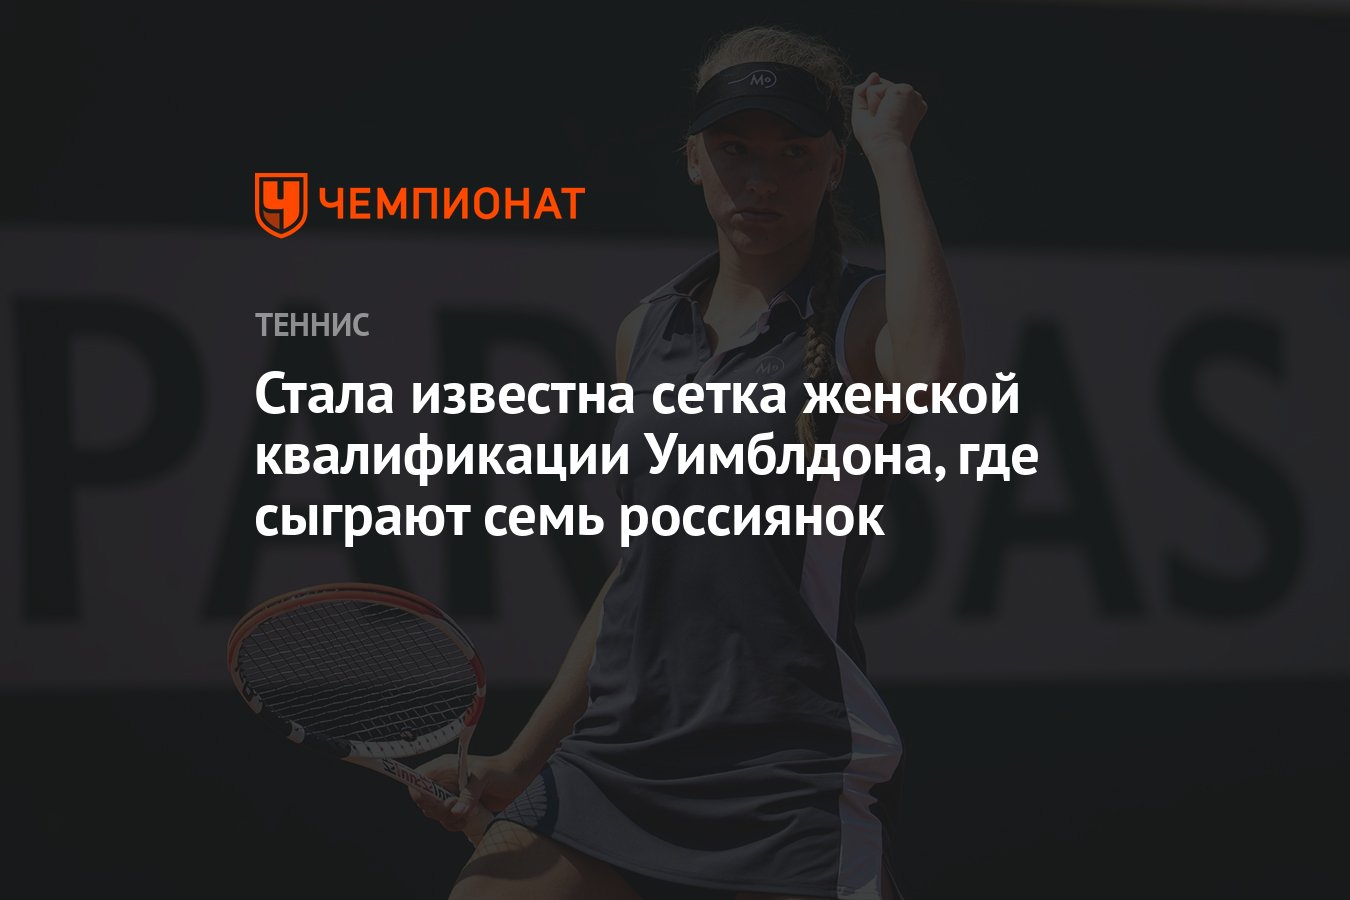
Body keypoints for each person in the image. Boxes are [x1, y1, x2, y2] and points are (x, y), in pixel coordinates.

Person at [412, 25, 963, 900]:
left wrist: (890, 152)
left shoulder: (860, 318)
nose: (761, 178)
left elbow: (934, 381)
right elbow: (643, 564)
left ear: (834, 168)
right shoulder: (647, 330)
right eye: (735, 149)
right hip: (617, 756)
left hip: (788, 771)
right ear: (695, 160)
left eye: (794, 153)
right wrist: (520, 759)